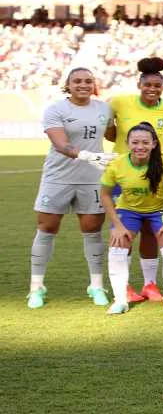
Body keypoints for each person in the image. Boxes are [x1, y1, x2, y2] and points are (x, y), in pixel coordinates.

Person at [28, 67, 116, 309]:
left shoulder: (103, 109)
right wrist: (86, 155)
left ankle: (96, 285)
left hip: (92, 178)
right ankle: (36, 287)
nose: (83, 85)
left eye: (88, 81)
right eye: (77, 81)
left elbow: (113, 134)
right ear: (68, 84)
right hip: (57, 177)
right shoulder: (56, 109)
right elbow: (60, 144)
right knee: (47, 227)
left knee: (92, 229)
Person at [105, 57, 163, 303]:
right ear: (139, 85)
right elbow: (109, 129)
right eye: (148, 85)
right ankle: (123, 287)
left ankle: (150, 284)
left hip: (155, 174)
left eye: (157, 86)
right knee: (124, 232)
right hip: (124, 174)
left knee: (150, 231)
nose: (152, 89)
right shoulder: (120, 102)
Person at [100, 122, 163, 315]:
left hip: (159, 209)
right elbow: (105, 195)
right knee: (117, 249)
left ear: (154, 143)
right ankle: (120, 300)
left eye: (145, 142)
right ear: (127, 144)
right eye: (135, 142)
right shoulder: (117, 165)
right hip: (128, 211)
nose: (140, 146)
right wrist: (117, 225)